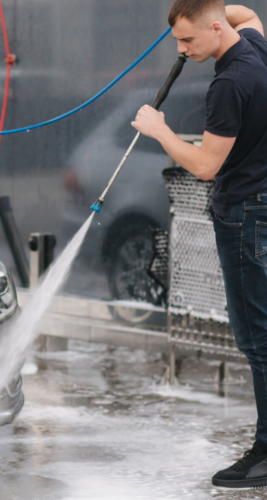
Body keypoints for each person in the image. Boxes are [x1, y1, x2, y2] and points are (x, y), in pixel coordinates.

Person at [131, 0, 267, 489]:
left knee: (258, 339)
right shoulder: (253, 47)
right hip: (261, 206)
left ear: (214, 28)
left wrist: (160, 130)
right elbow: (248, 13)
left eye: (188, 41)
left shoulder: (229, 84)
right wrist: (207, 7)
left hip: (245, 215)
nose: (182, 52)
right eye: (176, 44)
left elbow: (206, 165)